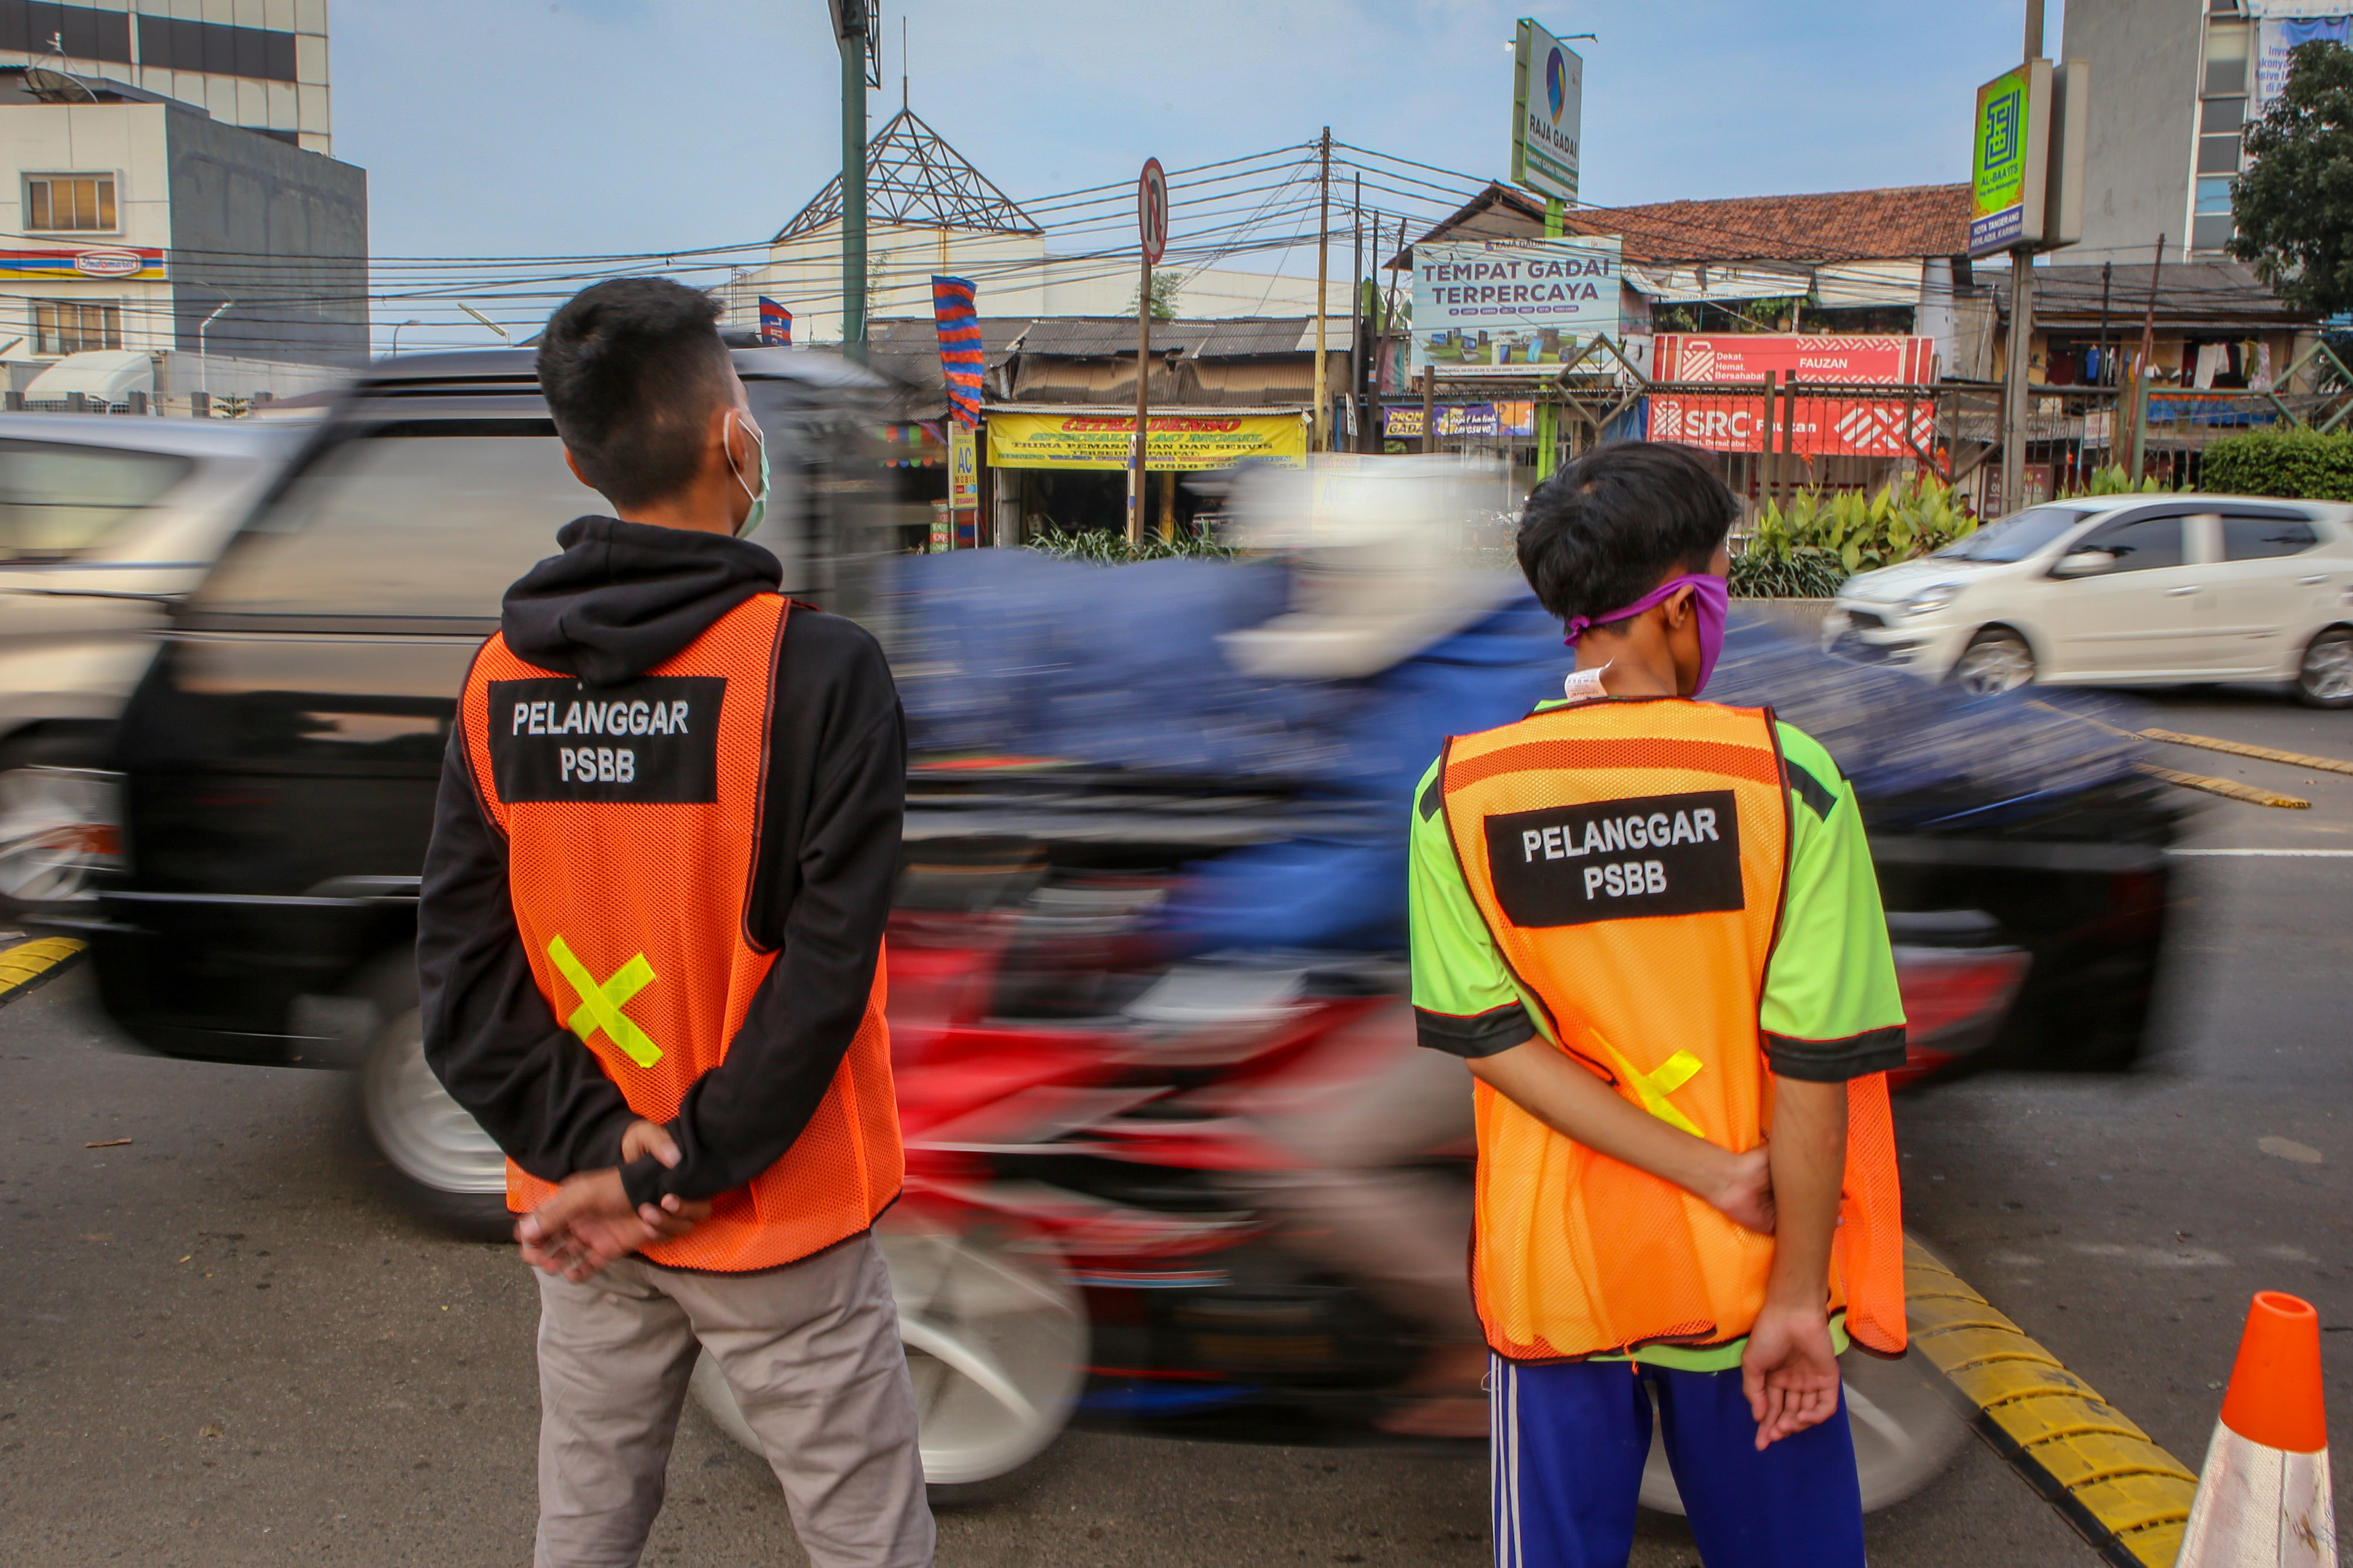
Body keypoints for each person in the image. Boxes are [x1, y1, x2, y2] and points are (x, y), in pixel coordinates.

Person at [416, 277, 932, 1568]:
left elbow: (462, 991)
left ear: (578, 463)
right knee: (866, 1542)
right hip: (775, 1215)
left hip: (586, 1214)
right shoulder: (816, 671)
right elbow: (823, 978)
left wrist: (605, 1160)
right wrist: (678, 1164)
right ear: (730, 436)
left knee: (583, 1532)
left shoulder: (495, 682)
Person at [1407, 441, 1908, 1568]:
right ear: (1682, 608)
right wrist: (1794, 1292)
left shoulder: (1461, 793)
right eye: (1721, 584)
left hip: (1560, 1284)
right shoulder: (1788, 783)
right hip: (1746, 1279)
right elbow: (1815, 1059)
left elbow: (1494, 1045)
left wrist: (1702, 1168)